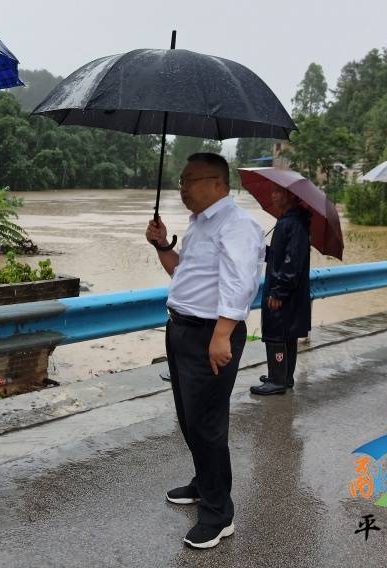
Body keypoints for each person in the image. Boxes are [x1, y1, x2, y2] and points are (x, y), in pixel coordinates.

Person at [145, 152, 264, 549]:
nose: (182, 188)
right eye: (180, 180)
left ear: (217, 184)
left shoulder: (238, 225)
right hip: (181, 329)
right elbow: (184, 275)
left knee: (208, 425)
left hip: (210, 335)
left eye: (189, 180)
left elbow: (241, 282)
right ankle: (203, 483)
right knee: (189, 418)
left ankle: (218, 515)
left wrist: (222, 335)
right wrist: (162, 245)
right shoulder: (199, 224)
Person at [251, 184, 312, 395]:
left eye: (279, 192)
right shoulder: (289, 221)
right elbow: (281, 256)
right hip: (287, 290)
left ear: (291, 196)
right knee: (287, 334)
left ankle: (277, 379)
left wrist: (279, 291)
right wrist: (264, 249)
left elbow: (291, 261)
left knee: (277, 334)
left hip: (284, 291)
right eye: (273, 190)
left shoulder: (293, 223)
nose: (274, 195)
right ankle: (283, 376)